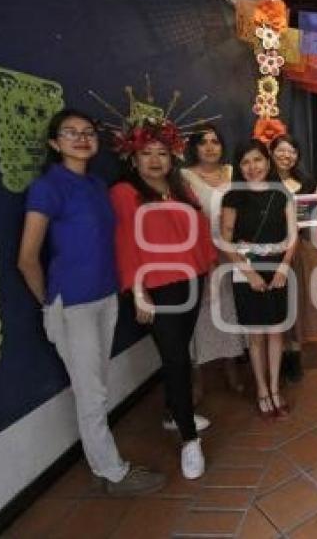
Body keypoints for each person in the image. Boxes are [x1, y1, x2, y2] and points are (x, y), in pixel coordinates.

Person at [18, 108, 166, 496]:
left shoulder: (98, 185)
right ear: (55, 143)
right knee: (92, 392)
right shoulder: (48, 187)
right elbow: (27, 257)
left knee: (97, 386)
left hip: (105, 297)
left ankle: (107, 463)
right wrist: (51, 306)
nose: (82, 138)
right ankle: (112, 473)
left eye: (88, 132)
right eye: (71, 132)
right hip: (73, 306)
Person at [110, 119, 216, 480]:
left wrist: (209, 272)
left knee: (180, 352)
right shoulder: (125, 193)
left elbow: (201, 232)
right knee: (174, 359)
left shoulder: (181, 186)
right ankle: (189, 440)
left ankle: (175, 413)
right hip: (157, 288)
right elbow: (125, 244)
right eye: (146, 153)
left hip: (191, 279)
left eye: (161, 153)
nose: (155, 160)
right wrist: (138, 290)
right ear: (133, 157)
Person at [221, 139, 297, 418]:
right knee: (256, 336)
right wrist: (249, 274)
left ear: (267, 160)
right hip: (246, 271)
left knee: (277, 332)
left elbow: (292, 236)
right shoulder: (233, 196)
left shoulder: (282, 193)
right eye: (245, 162)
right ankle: (262, 389)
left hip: (278, 269)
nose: (253, 167)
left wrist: (283, 268)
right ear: (239, 167)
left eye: (257, 160)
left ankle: (276, 388)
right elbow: (226, 240)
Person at [180, 125, 245, 403]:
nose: (210, 147)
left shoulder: (234, 172)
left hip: (235, 252)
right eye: (203, 142)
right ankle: (198, 378)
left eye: (215, 141)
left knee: (230, 312)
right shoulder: (184, 177)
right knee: (202, 315)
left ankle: (232, 368)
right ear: (194, 147)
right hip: (202, 255)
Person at [270, 134, 317, 381]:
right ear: (271, 152)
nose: (287, 155)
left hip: (301, 248)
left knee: (298, 300)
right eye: (282, 150)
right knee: (277, 301)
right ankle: (278, 352)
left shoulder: (305, 182)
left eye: (292, 151)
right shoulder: (263, 180)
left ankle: (293, 354)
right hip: (273, 248)